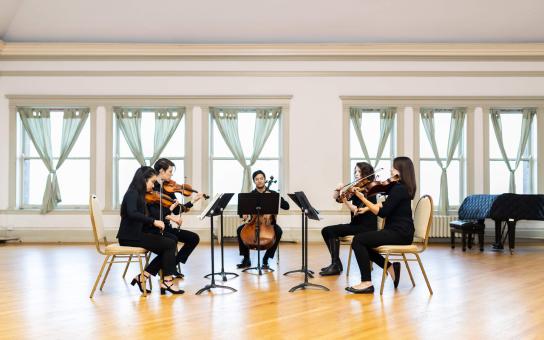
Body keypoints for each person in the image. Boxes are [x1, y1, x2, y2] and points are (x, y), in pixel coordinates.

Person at [346, 157, 417, 294]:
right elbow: (385, 205)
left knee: (358, 240)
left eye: (394, 167)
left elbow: (383, 213)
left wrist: (362, 198)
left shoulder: (399, 189)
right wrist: (367, 207)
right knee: (362, 242)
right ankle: (390, 268)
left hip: (400, 233)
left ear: (401, 171)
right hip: (400, 231)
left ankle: (366, 282)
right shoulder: (399, 188)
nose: (391, 169)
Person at [117, 166, 184, 295]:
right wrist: (153, 222)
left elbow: (143, 217)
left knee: (170, 241)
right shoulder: (132, 193)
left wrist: (158, 222)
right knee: (169, 244)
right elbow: (132, 213)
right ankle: (166, 280)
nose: (153, 186)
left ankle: (144, 277)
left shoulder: (139, 194)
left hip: (137, 234)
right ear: (143, 180)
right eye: (152, 182)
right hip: (129, 236)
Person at [147, 158, 202, 278]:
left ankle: (171, 266)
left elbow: (177, 210)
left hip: (167, 227)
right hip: (156, 228)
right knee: (172, 240)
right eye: (170, 171)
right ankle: (168, 268)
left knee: (193, 238)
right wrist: (171, 217)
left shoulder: (167, 187)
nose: (172, 175)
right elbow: (152, 212)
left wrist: (192, 201)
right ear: (161, 171)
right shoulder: (151, 187)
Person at [320, 162, 378, 276]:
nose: (356, 174)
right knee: (326, 230)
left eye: (359, 171)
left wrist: (346, 202)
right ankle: (336, 263)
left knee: (330, 230)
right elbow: (337, 199)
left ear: (366, 173)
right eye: (355, 171)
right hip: (356, 225)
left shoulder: (370, 190)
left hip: (366, 227)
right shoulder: (356, 188)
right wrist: (337, 190)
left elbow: (356, 210)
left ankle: (336, 265)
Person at [236, 170, 289, 270]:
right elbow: (242, 211)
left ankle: (266, 258)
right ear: (254, 181)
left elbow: (286, 206)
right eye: (257, 179)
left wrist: (276, 198)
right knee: (240, 230)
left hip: (269, 223)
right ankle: (246, 259)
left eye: (261, 178)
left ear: (265, 180)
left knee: (278, 231)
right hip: (253, 222)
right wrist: (243, 214)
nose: (259, 181)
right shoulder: (251, 195)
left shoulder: (273, 193)